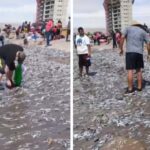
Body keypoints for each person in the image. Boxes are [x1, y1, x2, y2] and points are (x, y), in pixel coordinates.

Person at [120, 21, 150, 94]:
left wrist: (121, 49)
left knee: (130, 70)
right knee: (139, 70)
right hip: (139, 53)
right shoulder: (143, 32)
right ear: (139, 25)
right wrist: (148, 54)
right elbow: (148, 44)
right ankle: (139, 87)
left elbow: (122, 38)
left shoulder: (127, 28)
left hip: (130, 52)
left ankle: (130, 88)